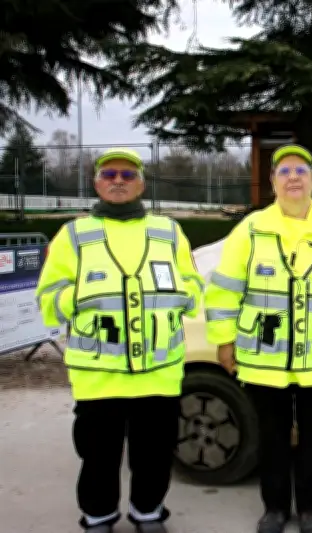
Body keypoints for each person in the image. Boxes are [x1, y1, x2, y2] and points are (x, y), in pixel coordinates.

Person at [203, 144, 312, 533]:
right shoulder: (251, 230)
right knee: (272, 438)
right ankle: (276, 508)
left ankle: (311, 509)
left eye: (301, 170)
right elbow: (225, 290)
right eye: (284, 171)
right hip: (264, 360)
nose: (293, 177)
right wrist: (224, 340)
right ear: (272, 182)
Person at [35, 148, 204, 533]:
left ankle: (148, 512)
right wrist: (81, 298)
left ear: (141, 184)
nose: (117, 181)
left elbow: (193, 284)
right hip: (98, 372)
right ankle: (98, 516)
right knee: (98, 454)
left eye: (127, 176)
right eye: (109, 174)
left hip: (158, 371)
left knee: (155, 453)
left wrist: (181, 299)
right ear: (96, 183)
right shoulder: (73, 235)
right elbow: (48, 296)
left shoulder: (168, 231)